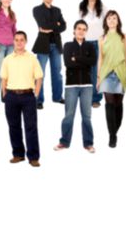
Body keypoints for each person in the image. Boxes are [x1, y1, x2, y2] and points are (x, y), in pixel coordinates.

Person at [0, 31, 43, 167]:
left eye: (21, 40)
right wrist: (5, 94)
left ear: (26, 41)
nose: (19, 42)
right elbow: (3, 78)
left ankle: (33, 157)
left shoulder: (32, 58)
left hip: (28, 96)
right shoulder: (7, 59)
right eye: (17, 40)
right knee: (14, 127)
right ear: (13, 41)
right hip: (11, 96)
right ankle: (18, 154)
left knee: (31, 127)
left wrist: (36, 93)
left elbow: (39, 77)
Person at [54, 20, 96, 153]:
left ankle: (88, 143)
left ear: (86, 32)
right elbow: (68, 63)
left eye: (84, 29)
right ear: (74, 30)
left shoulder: (90, 46)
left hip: (87, 85)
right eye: (79, 28)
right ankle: (64, 142)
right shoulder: (67, 45)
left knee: (87, 117)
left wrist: (76, 58)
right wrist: (83, 60)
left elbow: (93, 62)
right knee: (69, 115)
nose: (81, 31)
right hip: (71, 86)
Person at [97, 10, 126, 148]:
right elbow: (100, 58)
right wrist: (98, 77)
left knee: (118, 104)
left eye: (114, 18)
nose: (112, 21)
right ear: (106, 22)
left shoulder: (125, 36)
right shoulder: (102, 38)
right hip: (107, 73)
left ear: (118, 21)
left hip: (121, 72)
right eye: (109, 18)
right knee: (109, 104)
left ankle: (115, 131)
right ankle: (112, 136)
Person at [32, 0, 66, 110]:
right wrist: (55, 25)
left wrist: (51, 26)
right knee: (40, 74)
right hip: (43, 46)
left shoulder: (57, 10)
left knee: (57, 72)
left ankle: (57, 97)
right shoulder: (37, 9)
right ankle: (38, 99)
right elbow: (43, 25)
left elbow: (64, 26)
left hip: (56, 45)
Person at [79, 0, 108, 108]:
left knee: (96, 70)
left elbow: (108, 24)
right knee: (85, 70)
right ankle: (85, 96)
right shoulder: (82, 7)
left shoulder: (102, 8)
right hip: (85, 42)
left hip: (98, 42)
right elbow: (79, 25)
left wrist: (105, 39)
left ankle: (96, 98)